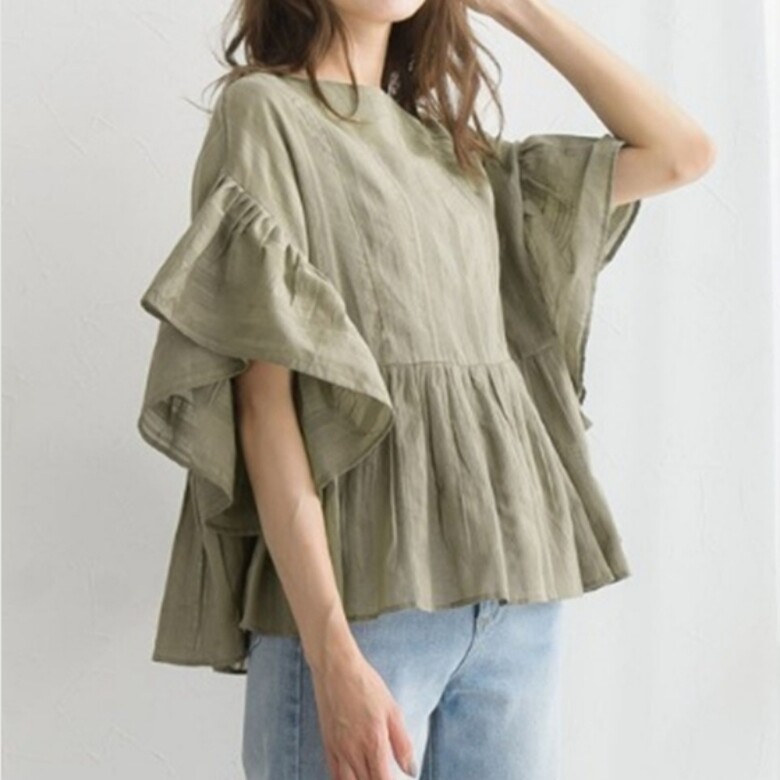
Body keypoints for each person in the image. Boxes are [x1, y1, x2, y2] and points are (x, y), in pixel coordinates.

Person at [135, 0, 715, 776]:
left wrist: (513, 8)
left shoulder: (460, 154)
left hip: (517, 593)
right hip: (363, 598)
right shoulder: (266, 114)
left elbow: (681, 152)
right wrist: (332, 654)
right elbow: (263, 411)